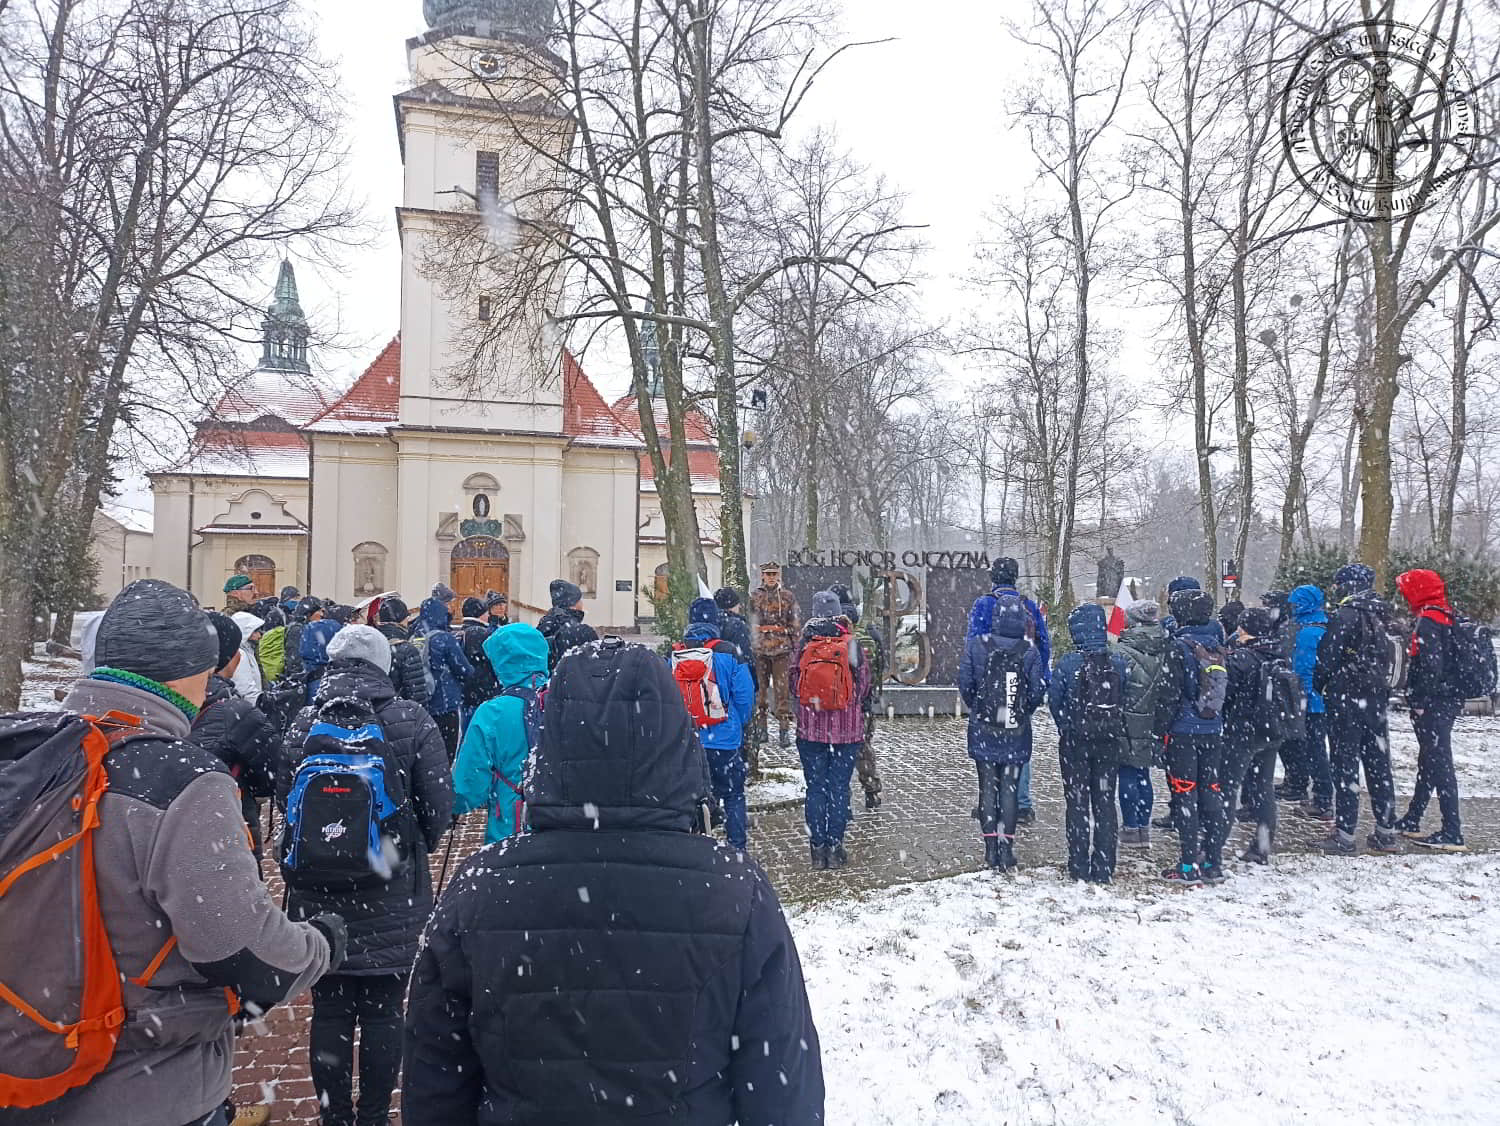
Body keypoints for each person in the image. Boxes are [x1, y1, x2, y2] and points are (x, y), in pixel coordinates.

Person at [402, 639, 824, 1125]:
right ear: (674, 736)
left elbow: (433, 1082)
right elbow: (784, 1088)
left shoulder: (479, 888)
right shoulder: (733, 889)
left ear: (552, 738)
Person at [0, 579, 337, 1126]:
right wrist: (319, 944)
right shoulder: (180, 779)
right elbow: (244, 952)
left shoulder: (23, 747)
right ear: (192, 674)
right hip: (140, 1088)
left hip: (21, 1069)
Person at [279, 624, 453, 1126]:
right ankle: (374, 1114)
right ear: (383, 665)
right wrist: (403, 852)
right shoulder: (411, 718)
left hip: (317, 892)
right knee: (383, 1011)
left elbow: (287, 798)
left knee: (330, 1010)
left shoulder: (306, 720)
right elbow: (437, 804)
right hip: (391, 886)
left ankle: (334, 1116)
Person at [1316, 563, 1400, 855]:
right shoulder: (1385, 614)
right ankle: (1386, 831)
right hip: (1377, 698)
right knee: (1379, 765)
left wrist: (1321, 684)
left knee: (1345, 766)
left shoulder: (1346, 614)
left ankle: (1345, 833)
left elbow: (1327, 656)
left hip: (1346, 699)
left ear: (1347, 585)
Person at [959, 590, 1045, 871]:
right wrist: (1019, 713)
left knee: (987, 787)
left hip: (983, 727)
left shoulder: (977, 645)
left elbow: (966, 685)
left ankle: (989, 849)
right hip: (1015, 729)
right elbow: (1036, 692)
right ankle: (1006, 848)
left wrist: (980, 709)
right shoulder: (1029, 651)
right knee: (1009, 788)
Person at [1047, 603, 1129, 884]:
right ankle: (1104, 865)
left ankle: (1078, 864)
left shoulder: (1068, 664)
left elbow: (1055, 702)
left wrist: (1066, 726)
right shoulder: (1117, 662)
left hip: (1075, 743)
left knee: (1077, 804)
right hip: (1109, 741)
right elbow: (1125, 698)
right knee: (1105, 804)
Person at [968, 556, 1050, 826]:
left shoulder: (984, 604)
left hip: (989, 688)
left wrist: (977, 691)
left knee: (988, 747)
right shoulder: (1029, 607)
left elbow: (973, 645)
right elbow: (1043, 645)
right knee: (1019, 744)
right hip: (1021, 685)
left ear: (993, 577)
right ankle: (1021, 803)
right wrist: (1036, 687)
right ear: (1016, 577)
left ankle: (990, 803)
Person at [790, 590, 869, 869]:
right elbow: (863, 686)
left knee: (815, 789)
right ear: (838, 613)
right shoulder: (851, 644)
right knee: (838, 788)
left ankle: (817, 849)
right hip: (846, 732)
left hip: (810, 731)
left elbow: (793, 684)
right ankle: (835, 848)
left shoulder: (803, 644)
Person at [453, 623, 549, 843]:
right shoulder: (567, 701)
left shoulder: (493, 712)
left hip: (511, 828)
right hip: (564, 830)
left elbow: (468, 789)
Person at [672, 598, 756, 851]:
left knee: (695, 799)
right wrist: (736, 723)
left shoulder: (676, 653)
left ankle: (700, 849)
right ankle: (737, 850)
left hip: (690, 740)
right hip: (726, 740)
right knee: (733, 795)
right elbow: (745, 695)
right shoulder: (728, 652)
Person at [1394, 569, 1468, 851]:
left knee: (1438, 761)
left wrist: (1420, 701)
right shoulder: (1446, 614)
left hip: (1435, 703)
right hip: (1448, 699)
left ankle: (1452, 831)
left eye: (1406, 589)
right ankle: (1414, 817)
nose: (1403, 595)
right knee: (1430, 760)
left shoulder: (1429, 620)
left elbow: (1430, 667)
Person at [196, 613, 280, 859]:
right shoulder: (236, 713)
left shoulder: (168, 702)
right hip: (233, 818)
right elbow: (272, 772)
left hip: (181, 831)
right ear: (230, 658)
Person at [1162, 587, 1228, 885]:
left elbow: (1170, 694)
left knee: (1185, 793)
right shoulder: (1219, 644)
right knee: (1212, 791)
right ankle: (1213, 860)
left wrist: (1160, 729)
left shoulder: (1178, 647)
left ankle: (1188, 863)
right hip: (1213, 730)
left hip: (1183, 732)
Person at [1220, 609, 1284, 864]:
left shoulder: (1242, 658)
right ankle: (1262, 845)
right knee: (1264, 788)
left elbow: (1225, 693)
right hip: (1270, 729)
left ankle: (1213, 846)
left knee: (1226, 788)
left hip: (1243, 730)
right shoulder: (1279, 653)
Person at [1116, 601, 1175, 848]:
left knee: (1128, 773)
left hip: (1128, 719)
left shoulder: (1122, 651)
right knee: (1143, 774)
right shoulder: (1168, 647)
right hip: (1155, 721)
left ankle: (1130, 827)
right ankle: (1143, 826)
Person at [1280, 584, 1334, 818]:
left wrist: (1300, 696)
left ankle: (1322, 799)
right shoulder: (1322, 625)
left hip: (1310, 701)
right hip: (1317, 699)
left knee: (1314, 749)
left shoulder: (1308, 631)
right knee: (1313, 748)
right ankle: (1318, 794)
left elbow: (1304, 668)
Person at [831, 582, 885, 811]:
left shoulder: (830, 631)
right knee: (863, 746)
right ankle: (871, 790)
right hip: (863, 703)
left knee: (834, 750)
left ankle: (838, 795)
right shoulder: (869, 630)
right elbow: (881, 666)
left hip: (833, 701)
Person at [750, 561, 801, 760]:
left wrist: (793, 643)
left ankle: (783, 730)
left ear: (778, 575)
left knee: (782, 692)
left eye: (774, 573)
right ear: (762, 576)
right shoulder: (755, 596)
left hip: (781, 649)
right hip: (761, 650)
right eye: (767, 574)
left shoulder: (787, 596)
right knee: (760, 693)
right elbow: (751, 621)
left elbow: (795, 621)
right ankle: (762, 728)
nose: (771, 577)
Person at [417, 593, 475, 763]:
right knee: (447, 753)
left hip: (423, 701)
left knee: (427, 751)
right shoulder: (444, 638)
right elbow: (464, 669)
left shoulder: (416, 636)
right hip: (444, 702)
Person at [374, 595, 432, 707]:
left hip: (374, 713)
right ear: (402, 619)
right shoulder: (407, 650)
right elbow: (417, 694)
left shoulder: (371, 645)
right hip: (399, 713)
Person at [536, 579, 599, 672]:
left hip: (549, 682)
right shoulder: (579, 631)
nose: (582, 603)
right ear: (572, 603)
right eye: (579, 600)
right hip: (569, 682)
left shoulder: (546, 622)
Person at [458, 596, 499, 717]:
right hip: (480, 691)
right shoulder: (478, 632)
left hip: (468, 691)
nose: (488, 616)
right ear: (480, 614)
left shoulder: (464, 631)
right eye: (486, 613)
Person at [228, 610, 266, 705]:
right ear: (245, 631)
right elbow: (244, 689)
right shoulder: (240, 654)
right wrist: (260, 703)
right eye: (255, 631)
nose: (259, 635)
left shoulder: (248, 651)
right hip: (246, 708)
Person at [713, 585, 756, 664]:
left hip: (714, 673)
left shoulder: (710, 624)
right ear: (732, 606)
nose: (739, 607)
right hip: (735, 672)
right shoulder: (737, 626)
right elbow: (746, 655)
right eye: (737, 603)